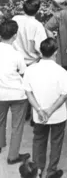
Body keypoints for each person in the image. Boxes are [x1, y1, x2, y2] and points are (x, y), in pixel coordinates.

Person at [23, 38, 67, 178]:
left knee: (39, 140)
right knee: (56, 142)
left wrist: (39, 110)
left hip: (39, 116)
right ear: (55, 52)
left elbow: (28, 92)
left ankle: (37, 171)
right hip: (57, 115)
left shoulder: (31, 70)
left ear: (41, 52)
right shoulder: (61, 71)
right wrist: (50, 110)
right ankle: (51, 171)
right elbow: (64, 95)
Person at [0, 19, 30, 164]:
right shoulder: (16, 54)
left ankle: (0, 144)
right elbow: (23, 72)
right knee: (17, 126)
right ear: (14, 36)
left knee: (0, 121)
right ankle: (13, 156)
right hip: (17, 94)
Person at [13, 0, 48, 66]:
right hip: (31, 64)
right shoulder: (38, 26)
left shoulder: (15, 19)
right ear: (38, 10)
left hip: (15, 61)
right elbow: (42, 49)